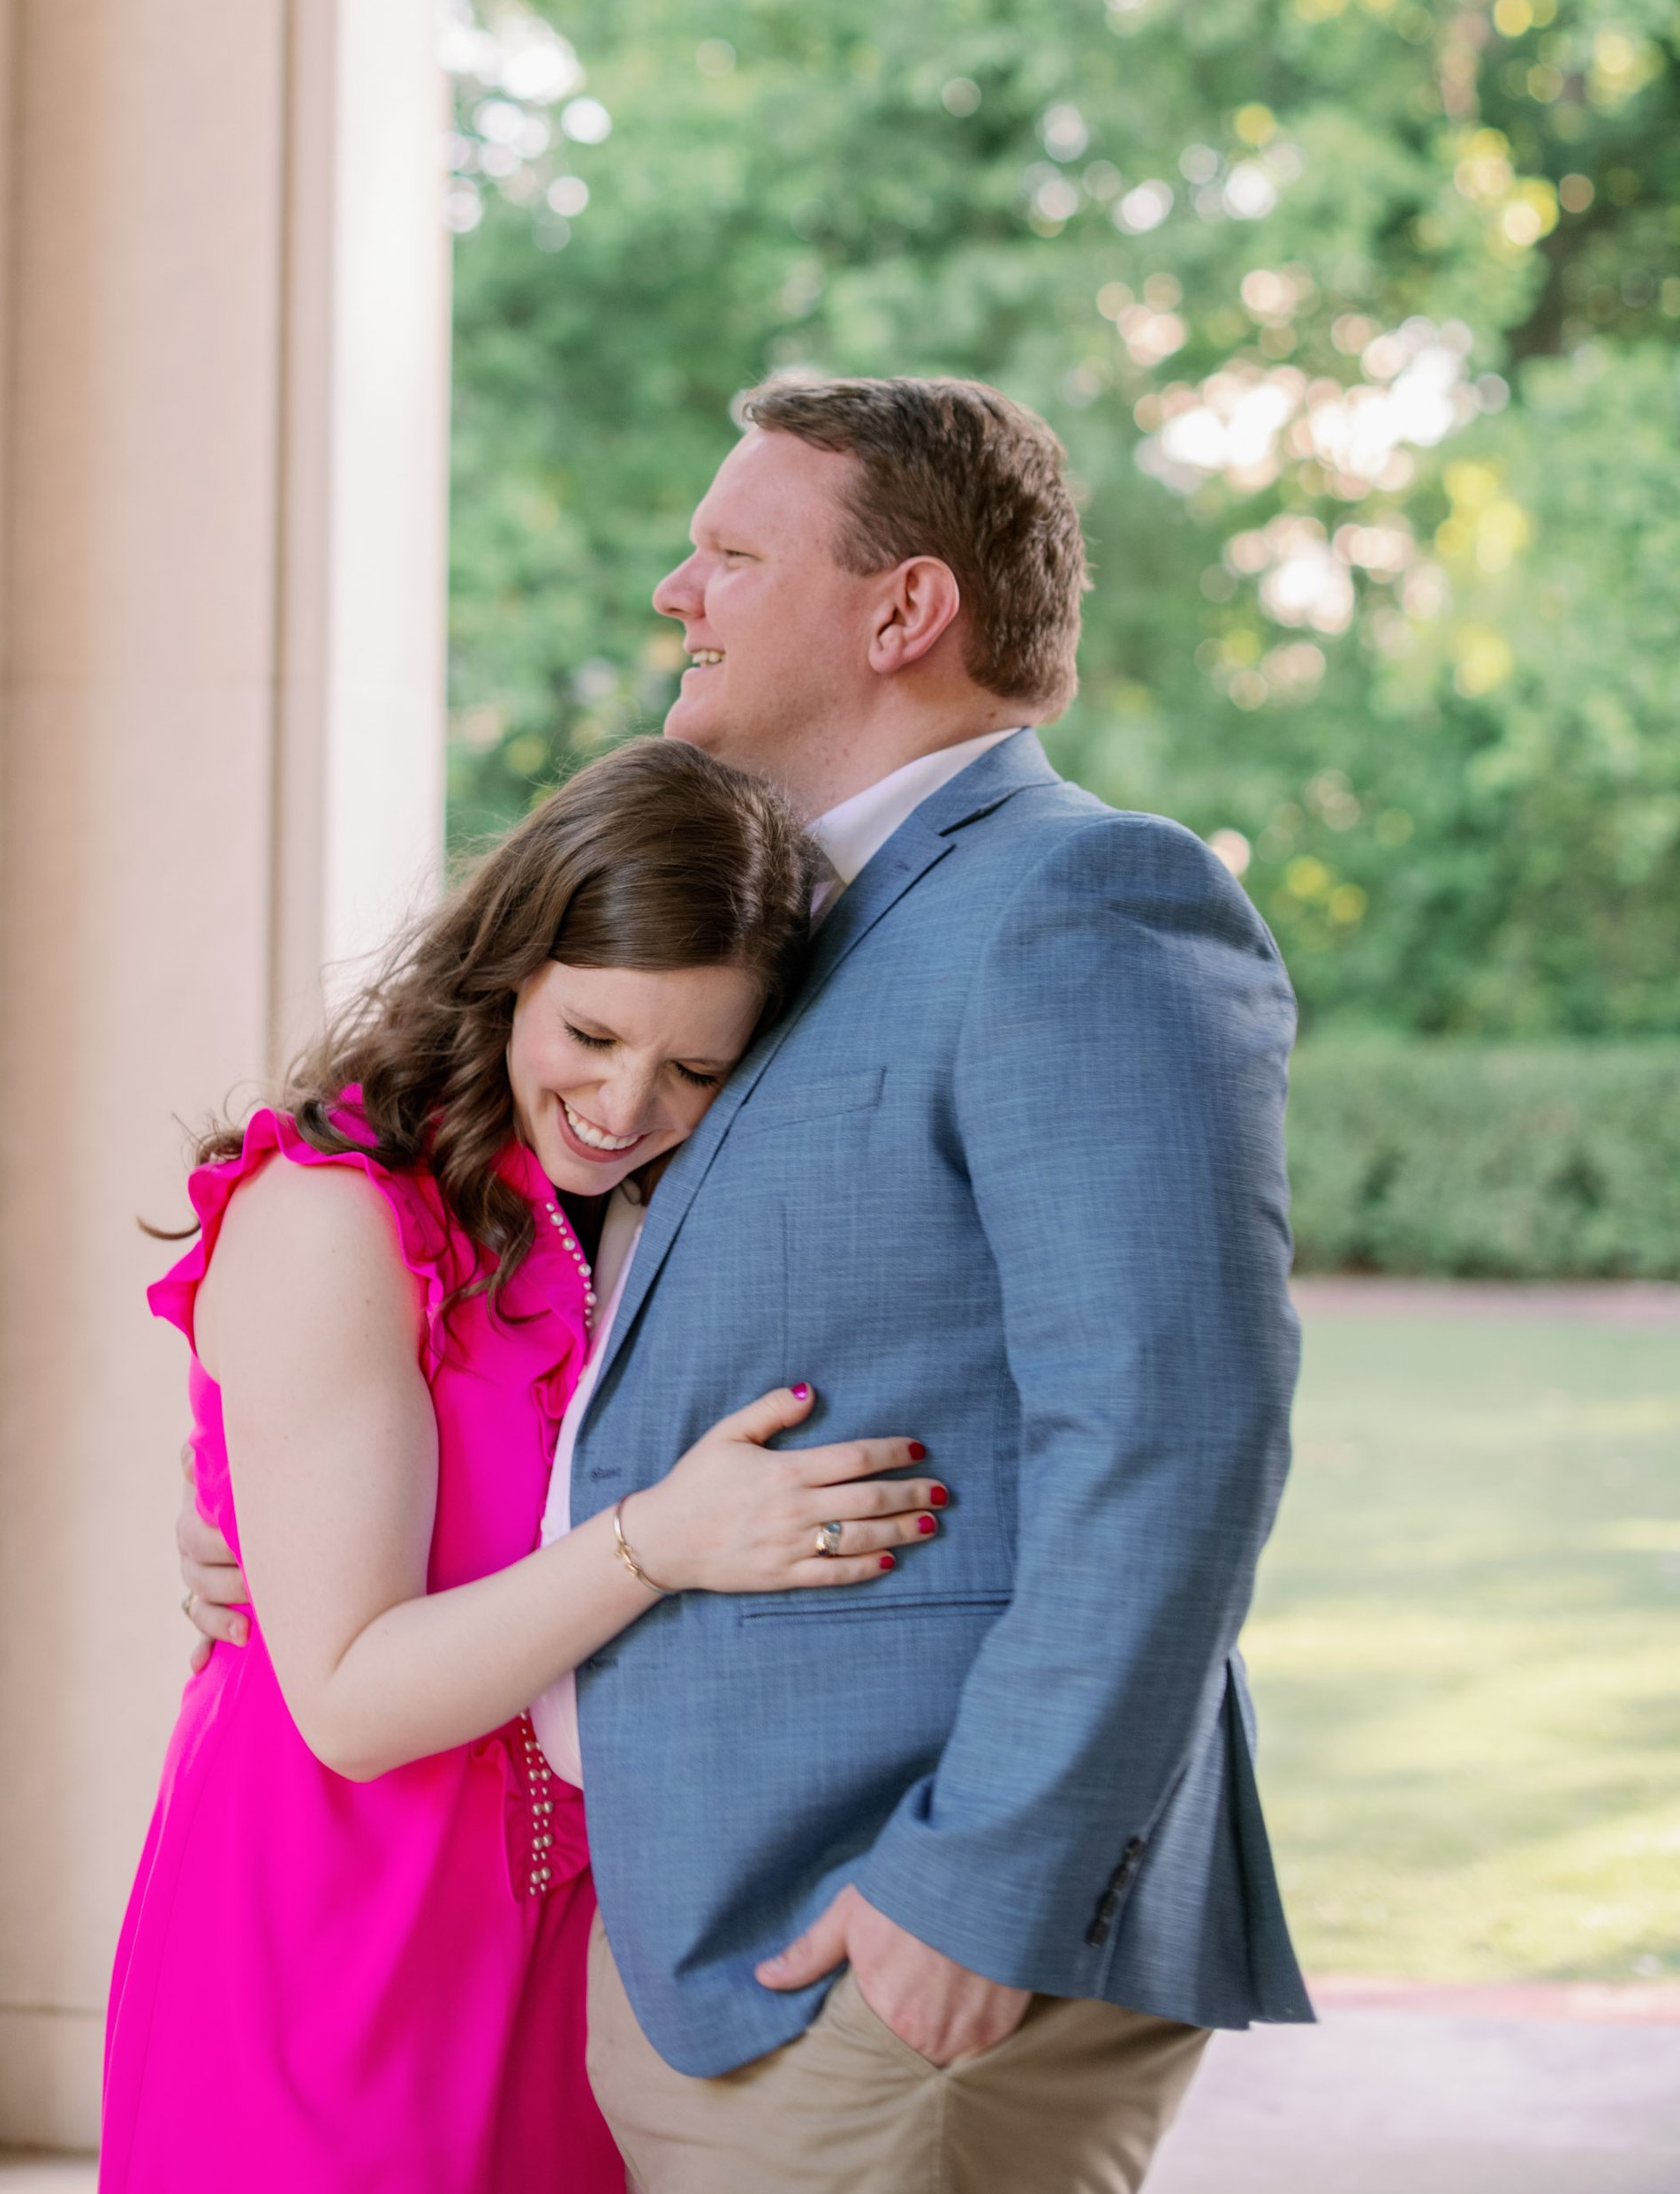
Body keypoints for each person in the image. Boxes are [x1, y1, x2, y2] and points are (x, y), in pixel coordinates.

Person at [182, 371, 1309, 2193]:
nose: (671, 595)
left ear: (901, 610)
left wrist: (980, 1884)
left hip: (895, 1938)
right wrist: (274, 1503)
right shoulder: (789, 928)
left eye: (726, 553)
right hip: (679, 1940)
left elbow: (1175, 1429)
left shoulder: (1078, 902)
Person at [104, 738, 943, 2194]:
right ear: (512, 964)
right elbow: (354, 1701)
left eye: (696, 1065)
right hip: (326, 1930)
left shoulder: (671, 1205)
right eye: (593, 1035)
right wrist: (657, 1540)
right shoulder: (337, 1206)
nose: (627, 1105)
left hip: (571, 1941)